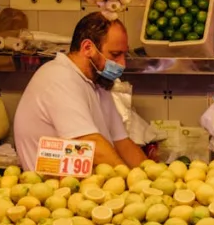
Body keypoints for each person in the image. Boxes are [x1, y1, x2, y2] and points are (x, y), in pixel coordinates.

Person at [14, 12, 147, 171]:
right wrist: (132, 182)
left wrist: (153, 177)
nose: (122, 64)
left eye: (124, 55)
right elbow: (90, 145)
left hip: (85, 188)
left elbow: (122, 143)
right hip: (50, 190)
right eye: (115, 54)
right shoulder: (60, 78)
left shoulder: (97, 83)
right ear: (88, 48)